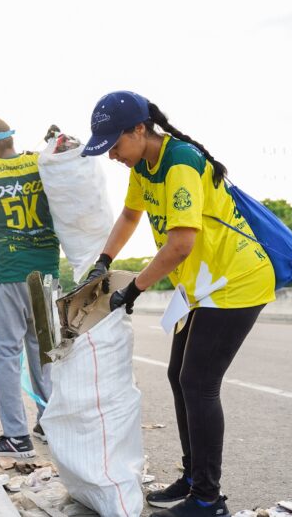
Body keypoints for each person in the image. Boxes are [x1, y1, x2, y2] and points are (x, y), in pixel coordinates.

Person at [81, 91, 275, 517]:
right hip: (201, 287)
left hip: (235, 281)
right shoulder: (144, 165)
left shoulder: (180, 163)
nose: (112, 155)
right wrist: (104, 261)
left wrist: (133, 290)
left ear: (138, 130)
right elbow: (131, 216)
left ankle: (209, 499)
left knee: (198, 383)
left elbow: (181, 243)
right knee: (178, 375)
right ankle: (192, 478)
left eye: (115, 144)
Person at [0, 117, 59, 458]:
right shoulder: (40, 162)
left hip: (8, 275)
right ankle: (52, 423)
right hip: (47, 277)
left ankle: (17, 438)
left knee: (5, 353)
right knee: (45, 352)